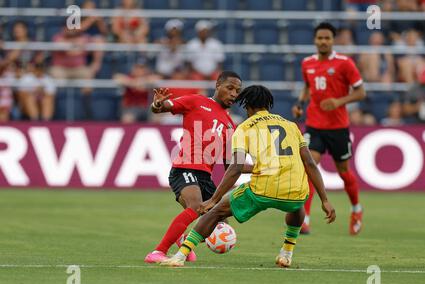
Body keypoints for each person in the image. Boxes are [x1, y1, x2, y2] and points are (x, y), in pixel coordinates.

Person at [160, 85, 336, 268]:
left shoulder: (244, 128)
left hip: (262, 189)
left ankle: (180, 256)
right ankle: (286, 253)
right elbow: (310, 163)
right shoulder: (291, 126)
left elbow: (234, 167)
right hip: (294, 189)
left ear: (247, 106)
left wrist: (214, 199)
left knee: (216, 212)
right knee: (297, 206)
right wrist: (325, 199)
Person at [144, 71, 246, 263]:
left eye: (237, 91)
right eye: (230, 88)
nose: (234, 94)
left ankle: (182, 239)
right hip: (185, 168)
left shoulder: (230, 124)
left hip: (205, 176)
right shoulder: (196, 101)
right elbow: (161, 107)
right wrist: (157, 103)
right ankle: (157, 252)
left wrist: (258, 169)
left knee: (218, 219)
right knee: (196, 206)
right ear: (218, 86)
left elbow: (229, 164)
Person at [292, 22, 366, 235]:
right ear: (315, 40)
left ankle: (356, 209)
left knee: (344, 172)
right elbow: (307, 86)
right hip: (314, 124)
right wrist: (300, 103)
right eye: (320, 38)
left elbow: (361, 92)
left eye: (327, 38)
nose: (323, 41)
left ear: (333, 41)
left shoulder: (345, 63)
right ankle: (304, 218)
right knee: (309, 166)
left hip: (338, 127)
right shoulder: (307, 63)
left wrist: (339, 101)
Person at [113, 58, 161, 123]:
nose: (140, 70)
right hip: (131, 107)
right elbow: (117, 77)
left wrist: (142, 82)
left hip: (147, 107)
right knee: (127, 119)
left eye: (142, 68)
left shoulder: (149, 77)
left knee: (157, 118)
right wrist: (133, 83)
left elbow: (158, 77)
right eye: (137, 68)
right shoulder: (129, 76)